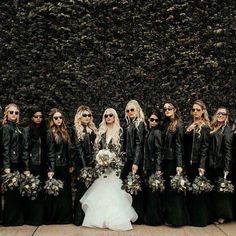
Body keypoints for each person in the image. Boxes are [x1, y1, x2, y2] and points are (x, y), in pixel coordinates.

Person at [80, 108, 138, 231]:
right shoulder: (101, 131)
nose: (108, 117)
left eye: (110, 115)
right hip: (102, 167)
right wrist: (100, 160)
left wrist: (115, 161)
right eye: (106, 115)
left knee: (114, 191)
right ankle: (99, 219)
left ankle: (115, 219)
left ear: (115, 116)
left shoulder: (121, 131)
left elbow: (123, 150)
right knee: (101, 190)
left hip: (114, 167)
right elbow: (97, 149)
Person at [162, 101, 190, 226]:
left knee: (175, 190)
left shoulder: (179, 125)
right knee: (169, 190)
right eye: (165, 109)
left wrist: (179, 164)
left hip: (174, 162)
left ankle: (177, 219)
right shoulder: (167, 124)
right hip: (167, 160)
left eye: (169, 108)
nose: (167, 110)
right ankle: (170, 217)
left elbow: (179, 146)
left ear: (175, 110)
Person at [184, 100, 210, 227]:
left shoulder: (204, 127)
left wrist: (202, 165)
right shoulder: (190, 125)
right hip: (188, 163)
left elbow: (205, 148)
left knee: (198, 192)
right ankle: (190, 218)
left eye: (198, 110)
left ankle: (199, 220)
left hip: (198, 163)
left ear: (203, 111)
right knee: (190, 191)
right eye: (193, 110)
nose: (195, 112)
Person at [44, 108, 73, 224]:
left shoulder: (64, 131)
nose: (59, 120)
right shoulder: (50, 132)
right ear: (52, 119)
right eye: (56, 118)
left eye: (60, 117)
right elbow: (50, 152)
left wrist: (70, 164)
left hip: (65, 165)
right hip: (55, 166)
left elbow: (67, 150)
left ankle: (64, 217)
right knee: (55, 192)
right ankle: (53, 217)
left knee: (65, 192)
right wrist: (51, 168)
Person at [121, 100, 146, 224]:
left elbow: (139, 144)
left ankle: (139, 215)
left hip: (135, 161)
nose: (130, 112)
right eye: (128, 110)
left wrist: (135, 162)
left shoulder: (139, 124)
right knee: (129, 187)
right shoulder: (129, 124)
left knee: (136, 188)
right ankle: (131, 215)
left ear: (137, 110)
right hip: (128, 160)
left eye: (132, 110)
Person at [21, 107, 47, 225]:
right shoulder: (27, 130)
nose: (38, 119)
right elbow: (25, 149)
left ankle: (39, 217)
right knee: (32, 191)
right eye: (36, 117)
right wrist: (26, 167)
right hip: (32, 164)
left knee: (40, 192)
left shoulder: (43, 129)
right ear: (32, 118)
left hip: (42, 165)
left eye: (40, 117)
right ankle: (31, 218)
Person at [72, 105, 97, 226]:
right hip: (81, 165)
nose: (87, 117)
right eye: (84, 115)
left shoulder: (93, 129)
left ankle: (89, 218)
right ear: (79, 117)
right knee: (81, 190)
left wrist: (94, 163)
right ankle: (78, 218)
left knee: (91, 191)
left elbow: (95, 148)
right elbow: (78, 149)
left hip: (92, 164)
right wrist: (84, 167)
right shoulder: (76, 129)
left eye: (89, 115)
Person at [208, 107, 233, 224]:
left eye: (223, 114)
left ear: (227, 116)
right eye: (219, 113)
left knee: (221, 192)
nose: (221, 115)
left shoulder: (227, 130)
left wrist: (226, 168)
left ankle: (223, 216)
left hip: (220, 164)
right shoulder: (212, 127)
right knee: (213, 190)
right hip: (211, 163)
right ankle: (214, 214)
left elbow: (228, 150)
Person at [1, 103, 24, 226]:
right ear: (6, 114)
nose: (14, 114)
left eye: (16, 113)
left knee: (16, 193)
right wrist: (6, 166)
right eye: (11, 112)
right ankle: (9, 220)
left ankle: (16, 218)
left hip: (17, 163)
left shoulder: (16, 127)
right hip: (11, 164)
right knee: (10, 193)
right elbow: (5, 148)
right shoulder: (6, 128)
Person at [143, 109, 164, 226]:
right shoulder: (150, 132)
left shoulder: (156, 133)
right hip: (150, 166)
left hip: (154, 167)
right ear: (148, 120)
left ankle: (154, 219)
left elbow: (159, 152)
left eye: (156, 120)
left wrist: (158, 169)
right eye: (152, 119)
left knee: (154, 194)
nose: (154, 122)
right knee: (151, 193)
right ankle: (151, 218)